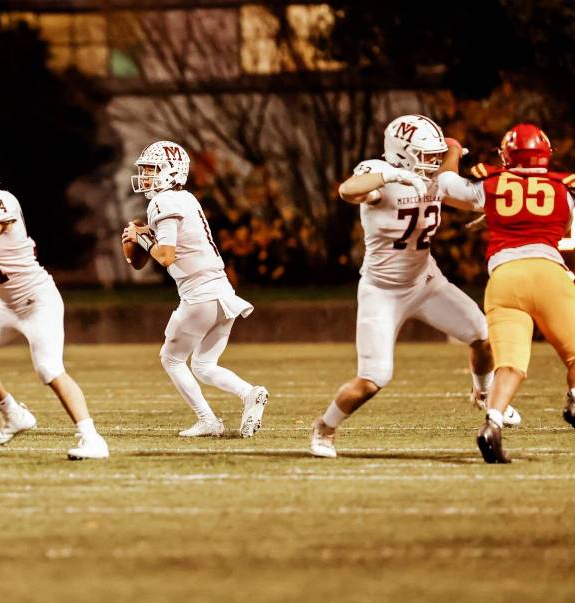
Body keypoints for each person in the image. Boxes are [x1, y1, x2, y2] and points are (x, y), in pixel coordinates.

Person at [309, 114, 519, 459]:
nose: (432, 162)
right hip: (383, 290)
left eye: (434, 156)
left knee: (483, 337)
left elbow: (452, 161)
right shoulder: (379, 174)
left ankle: (484, 395)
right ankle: (325, 427)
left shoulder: (433, 174)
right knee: (373, 379)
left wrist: (482, 197)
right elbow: (348, 190)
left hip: (426, 282)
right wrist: (394, 175)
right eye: (425, 155)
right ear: (401, 154)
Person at [0, 144, 109, 460]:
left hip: (37, 300)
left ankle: (92, 438)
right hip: (3, 304)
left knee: (49, 368)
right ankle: (13, 412)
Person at [438, 123, 575, 463]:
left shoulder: (492, 183)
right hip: (547, 273)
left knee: (511, 364)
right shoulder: (566, 189)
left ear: (507, 155)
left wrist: (453, 150)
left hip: (505, 278)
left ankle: (493, 423)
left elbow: (445, 185)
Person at [123, 140, 268, 439]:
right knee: (203, 365)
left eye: (152, 169)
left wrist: (142, 239)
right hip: (222, 291)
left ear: (170, 172)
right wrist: (146, 235)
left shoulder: (162, 202)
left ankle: (209, 421)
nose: (146, 176)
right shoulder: (186, 199)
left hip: (200, 294)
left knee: (171, 359)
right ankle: (250, 393)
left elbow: (165, 256)